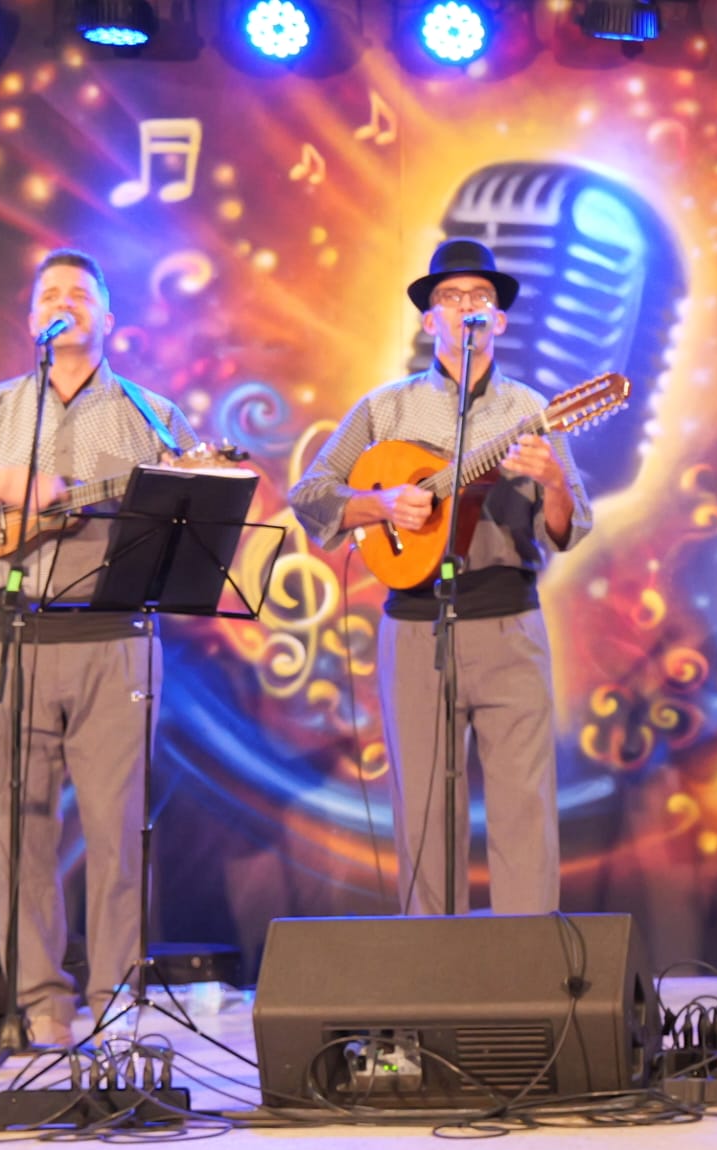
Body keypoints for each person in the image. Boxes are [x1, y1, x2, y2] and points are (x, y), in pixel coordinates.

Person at [0, 249, 199, 1049]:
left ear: (108, 318)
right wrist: (1, 483)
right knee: (20, 826)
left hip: (116, 637)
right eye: (50, 295)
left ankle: (115, 1001)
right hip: (16, 636)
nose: (64, 304)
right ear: (33, 319)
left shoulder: (153, 412)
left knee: (116, 829)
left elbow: (198, 505)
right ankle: (40, 1005)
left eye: (81, 294)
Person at [290, 239, 592, 916]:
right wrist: (381, 504)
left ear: (501, 320)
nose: (467, 309)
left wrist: (553, 484)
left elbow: (570, 527)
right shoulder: (384, 410)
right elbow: (311, 495)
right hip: (416, 623)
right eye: (451, 299)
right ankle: (433, 982)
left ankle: (527, 978)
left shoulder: (532, 408)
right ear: (429, 322)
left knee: (524, 810)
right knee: (425, 812)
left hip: (509, 620)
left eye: (480, 298)